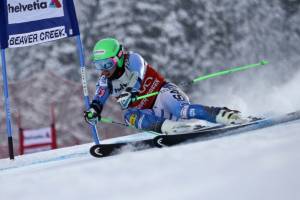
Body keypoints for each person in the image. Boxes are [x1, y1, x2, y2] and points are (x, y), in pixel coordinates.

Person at [84, 38, 246, 134]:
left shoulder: (132, 59)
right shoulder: (105, 81)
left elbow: (137, 77)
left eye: (107, 64)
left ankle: (224, 115)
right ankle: (169, 127)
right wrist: (92, 113)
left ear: (119, 58)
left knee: (184, 111)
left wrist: (130, 92)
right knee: (129, 116)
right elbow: (98, 100)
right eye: (99, 65)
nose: (104, 70)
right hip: (151, 114)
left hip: (164, 95)